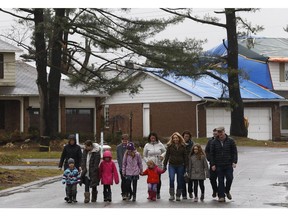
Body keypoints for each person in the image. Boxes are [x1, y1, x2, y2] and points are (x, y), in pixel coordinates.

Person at [210, 126, 238, 202]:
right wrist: (212, 164)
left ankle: (227, 190)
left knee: (230, 178)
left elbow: (234, 152)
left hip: (228, 164)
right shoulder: (214, 142)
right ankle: (221, 196)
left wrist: (234, 161)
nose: (220, 134)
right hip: (218, 164)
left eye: (221, 132)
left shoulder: (231, 141)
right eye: (218, 132)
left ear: (224, 132)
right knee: (220, 180)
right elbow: (212, 154)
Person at [163, 132, 188, 201]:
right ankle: (171, 194)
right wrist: (164, 165)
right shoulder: (170, 146)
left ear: (179, 138)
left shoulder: (183, 146)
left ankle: (178, 195)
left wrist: (186, 167)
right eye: (174, 138)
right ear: (172, 139)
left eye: (176, 138)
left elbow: (185, 157)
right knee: (171, 179)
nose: (175, 139)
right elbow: (167, 156)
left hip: (180, 165)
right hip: (172, 165)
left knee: (179, 180)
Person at [143, 132, 166, 199]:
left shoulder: (160, 144)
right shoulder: (147, 145)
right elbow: (144, 155)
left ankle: (157, 192)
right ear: (149, 138)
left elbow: (165, 151)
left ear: (156, 138)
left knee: (158, 179)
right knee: (151, 180)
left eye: (154, 137)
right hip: (150, 165)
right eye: (151, 137)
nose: (152, 139)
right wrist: (147, 162)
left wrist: (162, 155)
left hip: (158, 164)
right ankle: (151, 193)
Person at [205, 128, 218, 198]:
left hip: (220, 163)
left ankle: (220, 191)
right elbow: (207, 151)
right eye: (214, 134)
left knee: (221, 178)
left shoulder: (221, 141)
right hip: (212, 163)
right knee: (212, 178)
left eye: (216, 134)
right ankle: (215, 190)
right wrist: (209, 158)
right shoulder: (210, 141)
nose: (215, 135)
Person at [181, 130, 194, 199]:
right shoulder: (180, 144)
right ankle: (184, 194)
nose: (186, 138)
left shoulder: (192, 144)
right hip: (182, 163)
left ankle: (190, 191)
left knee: (190, 178)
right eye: (185, 136)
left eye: (187, 136)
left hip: (190, 163)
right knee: (182, 179)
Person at [116, 133, 129, 200]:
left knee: (128, 181)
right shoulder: (118, 147)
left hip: (129, 167)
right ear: (121, 140)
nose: (124, 142)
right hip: (122, 167)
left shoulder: (130, 147)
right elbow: (118, 158)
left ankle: (128, 192)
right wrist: (121, 166)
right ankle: (124, 193)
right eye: (123, 140)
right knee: (123, 180)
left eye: (126, 140)